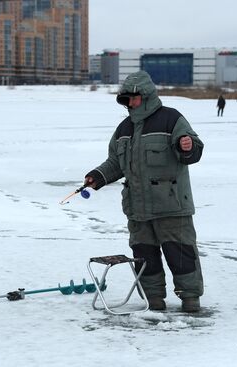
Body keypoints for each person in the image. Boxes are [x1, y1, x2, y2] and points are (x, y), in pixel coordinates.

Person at [83, 71, 204, 312]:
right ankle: (154, 299)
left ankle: (190, 298)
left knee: (180, 255)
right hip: (137, 209)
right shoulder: (123, 129)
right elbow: (115, 163)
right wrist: (97, 176)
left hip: (171, 206)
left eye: (133, 98)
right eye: (126, 99)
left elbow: (194, 151)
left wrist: (187, 146)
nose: (130, 103)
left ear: (146, 96)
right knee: (144, 257)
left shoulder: (171, 119)